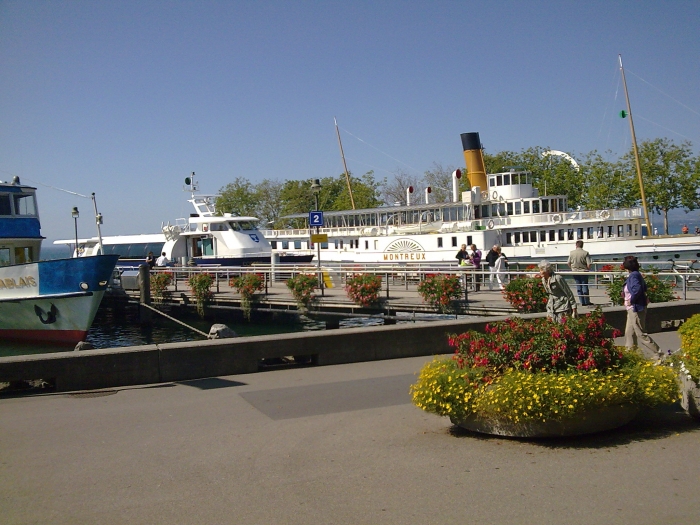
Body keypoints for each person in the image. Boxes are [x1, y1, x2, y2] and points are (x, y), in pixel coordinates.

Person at [622, 255, 662, 359]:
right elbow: (642, 288)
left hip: (635, 308)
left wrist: (631, 300)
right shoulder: (635, 274)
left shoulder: (634, 276)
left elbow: (638, 289)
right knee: (629, 333)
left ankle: (659, 354)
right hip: (631, 309)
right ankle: (631, 356)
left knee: (641, 334)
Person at [567, 240, 592, 306]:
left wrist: (572, 268)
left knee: (578, 286)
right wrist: (587, 269)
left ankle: (582, 302)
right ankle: (586, 301)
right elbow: (589, 264)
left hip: (575, 271)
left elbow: (568, 263)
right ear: (582, 245)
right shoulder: (585, 253)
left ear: (576, 245)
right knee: (584, 285)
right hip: (584, 271)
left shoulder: (572, 253)